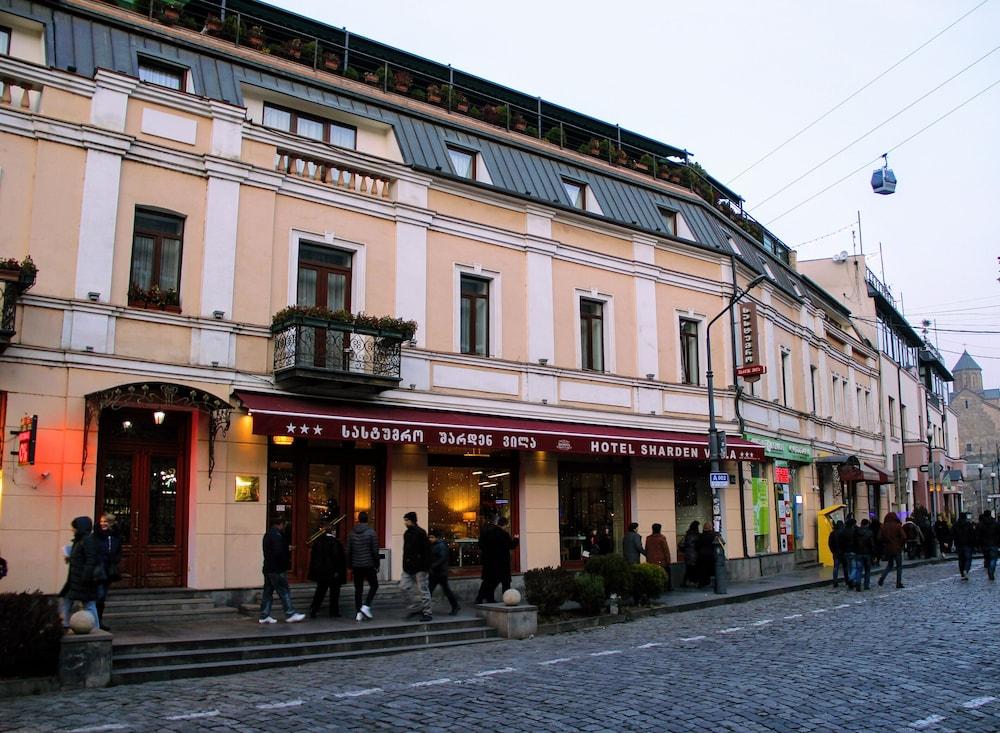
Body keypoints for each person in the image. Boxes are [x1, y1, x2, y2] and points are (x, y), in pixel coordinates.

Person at [258, 516, 305, 624]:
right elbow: (278, 552)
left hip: (268, 568)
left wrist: (285, 548)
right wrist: (286, 556)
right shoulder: (277, 536)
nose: (284, 527)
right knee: (284, 591)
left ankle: (264, 615)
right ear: (280, 524)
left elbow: (273, 549)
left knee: (268, 592)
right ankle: (290, 613)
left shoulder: (268, 534)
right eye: (284, 525)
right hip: (277, 569)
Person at [59, 516, 101, 630]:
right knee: (67, 600)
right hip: (75, 579)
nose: (73, 530)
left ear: (80, 528)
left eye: (75, 527)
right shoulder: (79, 541)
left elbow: (91, 560)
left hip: (82, 580)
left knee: (89, 604)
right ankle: (64, 623)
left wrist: (86, 578)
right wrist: (69, 557)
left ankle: (95, 628)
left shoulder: (87, 540)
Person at [347, 511, 379, 622]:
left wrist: (350, 564)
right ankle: (366, 606)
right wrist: (377, 563)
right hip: (368, 564)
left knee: (358, 589)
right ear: (368, 519)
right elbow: (375, 550)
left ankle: (358, 612)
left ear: (358, 519)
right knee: (374, 585)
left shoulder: (351, 533)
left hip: (356, 565)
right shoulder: (371, 532)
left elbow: (349, 551)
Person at [308, 523, 346, 618]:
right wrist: (338, 570)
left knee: (320, 591)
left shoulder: (318, 542)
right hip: (333, 572)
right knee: (334, 593)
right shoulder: (335, 543)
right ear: (333, 531)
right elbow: (338, 558)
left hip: (322, 572)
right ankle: (334, 611)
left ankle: (314, 609)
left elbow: (315, 558)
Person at [400, 511, 432, 622]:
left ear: (411, 520)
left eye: (406, 520)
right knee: (403, 587)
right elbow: (405, 551)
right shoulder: (406, 533)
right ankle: (416, 607)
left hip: (420, 567)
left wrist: (425, 566)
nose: (405, 522)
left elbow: (426, 551)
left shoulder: (421, 533)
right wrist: (404, 565)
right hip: (408, 567)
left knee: (423, 590)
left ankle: (427, 612)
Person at [94, 512, 122, 631]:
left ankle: (98, 621)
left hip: (109, 570)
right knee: (99, 595)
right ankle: (95, 621)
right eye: (101, 522)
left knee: (103, 596)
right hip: (98, 570)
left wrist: (115, 560)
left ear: (111, 523)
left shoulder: (115, 537)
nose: (103, 524)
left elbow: (118, 551)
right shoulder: (96, 536)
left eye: (105, 522)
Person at [427, 528, 460, 616]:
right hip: (436, 572)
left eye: (432, 537)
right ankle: (425, 608)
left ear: (437, 538)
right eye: (429, 537)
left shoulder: (440, 545)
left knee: (444, 591)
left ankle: (455, 606)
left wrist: (432, 566)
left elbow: (442, 558)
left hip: (440, 572)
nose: (430, 539)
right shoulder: (434, 545)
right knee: (430, 590)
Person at [877, 512, 906, 589]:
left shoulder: (883, 527)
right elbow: (904, 537)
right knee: (899, 566)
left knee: (889, 565)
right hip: (897, 548)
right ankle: (898, 583)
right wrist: (900, 544)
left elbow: (879, 538)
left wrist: (885, 542)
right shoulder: (898, 526)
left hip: (888, 548)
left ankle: (882, 578)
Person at [644, 523, 673, 591]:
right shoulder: (661, 538)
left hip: (650, 560)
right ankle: (668, 587)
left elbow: (646, 549)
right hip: (661, 561)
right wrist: (668, 561)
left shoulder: (648, 538)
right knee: (667, 573)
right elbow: (666, 550)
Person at [496, 517, 519, 593]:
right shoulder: (504, 534)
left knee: (492, 581)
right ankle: (507, 597)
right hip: (504, 560)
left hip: (493, 560)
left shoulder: (491, 532)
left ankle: (488, 598)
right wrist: (516, 539)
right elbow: (511, 546)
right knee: (506, 581)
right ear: (505, 524)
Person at [853, 518, 874, 591]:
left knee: (859, 570)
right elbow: (872, 544)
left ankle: (858, 584)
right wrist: (873, 553)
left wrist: (855, 550)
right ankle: (866, 585)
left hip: (858, 553)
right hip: (867, 554)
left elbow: (854, 543)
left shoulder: (856, 532)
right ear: (867, 524)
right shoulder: (869, 532)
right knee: (867, 570)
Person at [952, 512, 975, 581]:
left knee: (961, 559)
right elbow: (972, 535)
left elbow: (952, 534)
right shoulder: (968, 524)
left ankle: (962, 573)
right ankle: (966, 570)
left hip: (958, 544)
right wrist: (973, 544)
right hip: (967, 544)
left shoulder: (955, 525)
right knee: (968, 558)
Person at [829, 520, 849, 588]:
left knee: (836, 567)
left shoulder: (833, 533)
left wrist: (833, 551)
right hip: (843, 552)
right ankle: (847, 580)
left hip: (836, 552)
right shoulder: (844, 532)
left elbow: (830, 543)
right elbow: (846, 543)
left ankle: (835, 581)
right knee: (845, 567)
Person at [979, 510, 999, 581]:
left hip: (985, 545)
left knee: (988, 559)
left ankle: (989, 570)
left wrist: (979, 544)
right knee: (993, 559)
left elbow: (978, 535)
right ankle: (991, 572)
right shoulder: (995, 523)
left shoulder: (980, 524)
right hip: (994, 544)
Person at [696, 523, 717, 588]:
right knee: (713, 570)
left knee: (703, 570)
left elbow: (697, 545)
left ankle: (702, 583)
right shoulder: (714, 535)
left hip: (702, 555)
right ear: (711, 528)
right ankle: (715, 584)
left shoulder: (701, 536)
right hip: (711, 555)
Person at [681, 521, 700, 588]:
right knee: (695, 569)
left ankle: (685, 582)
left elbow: (682, 544)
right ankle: (695, 582)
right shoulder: (696, 535)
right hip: (694, 554)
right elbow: (698, 545)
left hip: (687, 554)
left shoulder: (687, 534)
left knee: (688, 569)